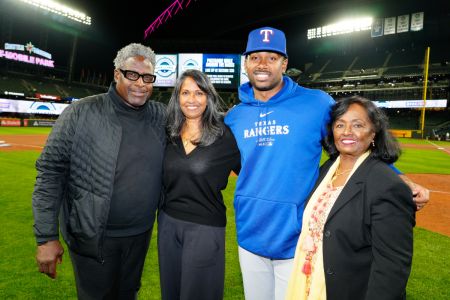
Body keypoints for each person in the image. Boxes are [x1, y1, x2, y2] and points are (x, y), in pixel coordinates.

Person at [224, 26, 429, 300]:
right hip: (250, 233)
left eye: (272, 58)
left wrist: (398, 177)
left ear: (284, 64)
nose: (263, 64)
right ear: (246, 62)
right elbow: (239, 166)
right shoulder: (235, 116)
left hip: (299, 237)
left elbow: (350, 146)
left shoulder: (316, 103)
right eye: (255, 57)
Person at [32, 43, 166, 299]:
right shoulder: (80, 111)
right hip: (92, 235)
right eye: (132, 75)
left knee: (128, 294)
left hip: (139, 235)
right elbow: (50, 173)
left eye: (147, 77)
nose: (140, 83)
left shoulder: (160, 115)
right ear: (117, 74)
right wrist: (46, 237)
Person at [286, 96, 415, 299]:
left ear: (373, 133)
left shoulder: (387, 185)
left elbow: (392, 266)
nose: (347, 132)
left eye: (358, 125)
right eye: (340, 125)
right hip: (311, 284)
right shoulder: (327, 170)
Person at [158, 69, 240, 300]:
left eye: (199, 93)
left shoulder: (224, 136)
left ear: (209, 97)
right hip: (167, 224)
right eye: (185, 93)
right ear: (177, 97)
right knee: (171, 292)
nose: (192, 100)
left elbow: (251, 174)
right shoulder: (168, 133)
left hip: (205, 228)